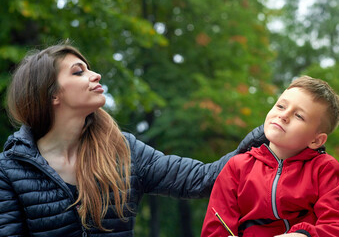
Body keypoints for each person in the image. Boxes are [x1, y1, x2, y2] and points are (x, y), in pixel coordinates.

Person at [0, 42, 268, 237]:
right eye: (78, 72)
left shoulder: (123, 149)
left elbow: (201, 179)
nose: (96, 75)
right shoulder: (9, 170)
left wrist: (266, 133)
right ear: (51, 96)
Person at [201, 76, 339, 237]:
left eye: (299, 116)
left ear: (316, 140)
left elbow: (336, 227)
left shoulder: (323, 168)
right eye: (281, 106)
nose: (284, 115)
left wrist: (304, 235)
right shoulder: (237, 166)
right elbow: (214, 228)